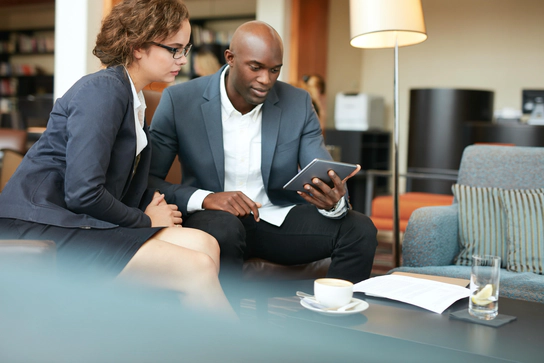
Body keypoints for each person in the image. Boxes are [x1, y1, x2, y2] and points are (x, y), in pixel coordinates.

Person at [0, 0, 234, 317]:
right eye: (174, 49)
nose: (181, 59)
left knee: (206, 244)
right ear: (138, 47)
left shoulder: (132, 97)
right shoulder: (104, 90)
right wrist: (146, 220)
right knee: (196, 266)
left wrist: (150, 207)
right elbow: (83, 192)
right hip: (38, 225)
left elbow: (112, 186)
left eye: (184, 49)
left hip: (72, 221)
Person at [148, 20, 378, 285]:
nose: (265, 79)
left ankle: (331, 320)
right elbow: (149, 180)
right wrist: (207, 198)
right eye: (255, 67)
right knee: (225, 228)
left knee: (360, 230)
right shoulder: (180, 100)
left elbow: (322, 166)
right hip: (213, 221)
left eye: (274, 70)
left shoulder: (298, 103)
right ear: (230, 58)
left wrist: (334, 200)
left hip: (277, 217)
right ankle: (225, 324)